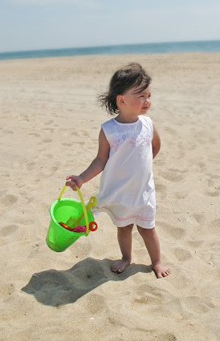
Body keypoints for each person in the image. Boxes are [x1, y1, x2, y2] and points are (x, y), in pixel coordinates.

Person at [66, 63, 171, 279]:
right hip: (120, 191)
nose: (147, 100)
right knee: (124, 228)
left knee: (148, 228)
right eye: (141, 95)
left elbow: (155, 146)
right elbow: (100, 160)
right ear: (121, 100)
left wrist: (143, 167)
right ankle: (126, 258)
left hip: (142, 190)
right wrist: (82, 178)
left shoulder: (148, 124)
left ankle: (157, 261)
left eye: (149, 95)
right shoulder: (109, 130)